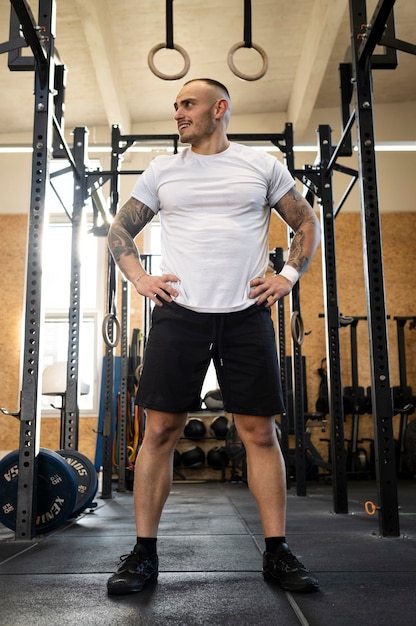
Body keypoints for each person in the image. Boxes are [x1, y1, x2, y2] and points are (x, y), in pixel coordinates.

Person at [107, 78, 321, 595]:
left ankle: (277, 552)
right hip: (179, 313)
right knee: (159, 431)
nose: (178, 113)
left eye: (188, 104)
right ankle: (143, 553)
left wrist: (287, 277)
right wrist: (140, 279)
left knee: (259, 433)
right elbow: (120, 232)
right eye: (176, 105)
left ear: (219, 109)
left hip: (246, 313)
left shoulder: (261, 165)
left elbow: (305, 222)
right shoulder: (162, 171)